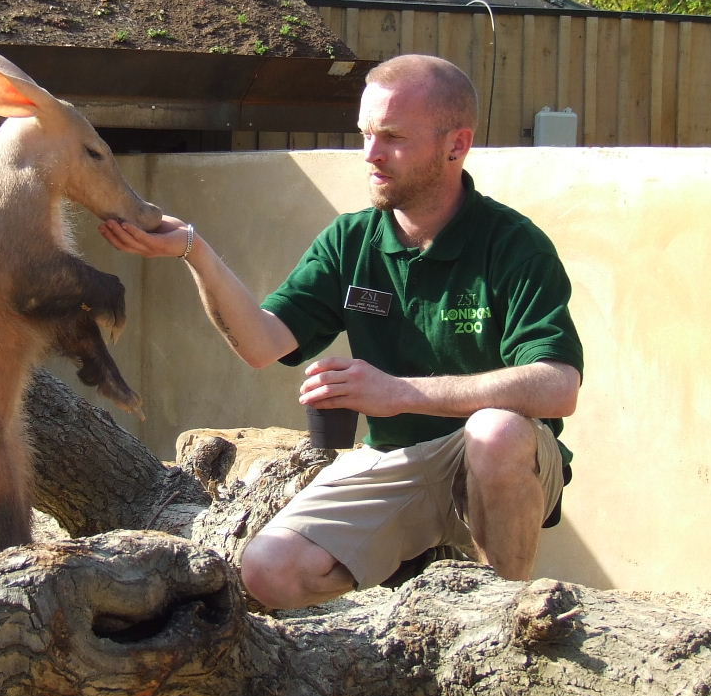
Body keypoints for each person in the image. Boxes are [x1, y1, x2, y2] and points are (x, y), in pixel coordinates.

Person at [99, 53, 584, 611]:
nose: (372, 155)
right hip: (393, 462)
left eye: (394, 137)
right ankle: (398, 607)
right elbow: (262, 343)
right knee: (267, 570)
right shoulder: (350, 240)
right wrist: (194, 251)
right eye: (366, 135)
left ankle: (506, 620)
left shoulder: (513, 244)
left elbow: (558, 386)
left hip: (501, 463)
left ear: (456, 145)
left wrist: (399, 393)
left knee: (496, 433)